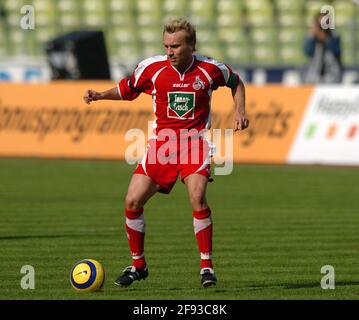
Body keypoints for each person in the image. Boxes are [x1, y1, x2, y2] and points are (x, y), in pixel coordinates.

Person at [83, 18, 248, 288]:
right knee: (132, 201)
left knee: (197, 197)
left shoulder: (210, 69)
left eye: (176, 46)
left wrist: (240, 111)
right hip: (162, 145)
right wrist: (100, 95)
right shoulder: (152, 68)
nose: (170, 51)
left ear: (191, 45)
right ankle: (138, 266)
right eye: (167, 46)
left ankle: (206, 267)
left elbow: (237, 83)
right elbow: (128, 90)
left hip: (195, 143)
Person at [303, 12, 342, 83]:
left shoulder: (335, 37)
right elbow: (308, 52)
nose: (322, 27)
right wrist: (312, 36)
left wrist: (325, 38)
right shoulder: (312, 38)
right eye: (320, 24)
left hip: (332, 75)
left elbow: (336, 51)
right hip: (314, 75)